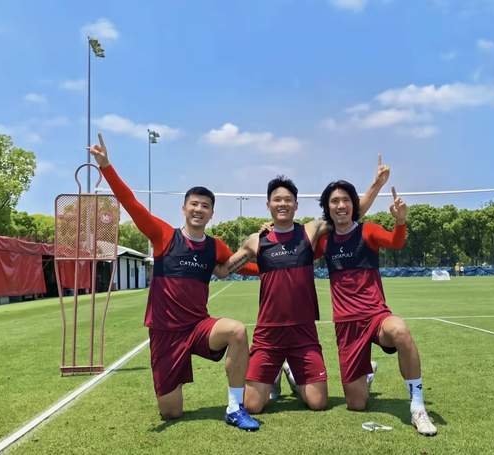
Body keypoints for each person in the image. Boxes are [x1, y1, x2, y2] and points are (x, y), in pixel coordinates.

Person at [89, 134, 260, 431]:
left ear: (211, 213)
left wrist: (275, 266)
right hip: (166, 333)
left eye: (205, 206)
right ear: (184, 208)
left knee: (236, 331)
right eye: (194, 204)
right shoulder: (164, 235)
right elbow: (131, 203)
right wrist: (106, 166)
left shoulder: (214, 246)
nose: (198, 209)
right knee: (171, 412)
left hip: (198, 327)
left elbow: (239, 267)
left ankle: (235, 407)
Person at [216, 157, 390, 414]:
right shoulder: (256, 240)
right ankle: (275, 374)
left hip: (303, 332)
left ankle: (291, 374)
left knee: (318, 403)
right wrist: (207, 248)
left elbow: (348, 215)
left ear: (296, 205)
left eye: (288, 200)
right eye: (277, 199)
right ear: (268, 205)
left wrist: (376, 185)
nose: (282, 204)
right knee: (252, 406)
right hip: (269, 333)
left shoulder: (310, 231)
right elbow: (223, 270)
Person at [313, 180, 437, 436]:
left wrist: (400, 221)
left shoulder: (367, 231)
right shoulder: (324, 242)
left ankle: (417, 407)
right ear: (327, 207)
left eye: (346, 200)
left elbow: (395, 242)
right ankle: (366, 376)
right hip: (347, 325)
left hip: (376, 317)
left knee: (400, 330)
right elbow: (294, 252)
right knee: (356, 404)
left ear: (354, 205)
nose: (341, 205)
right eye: (335, 201)